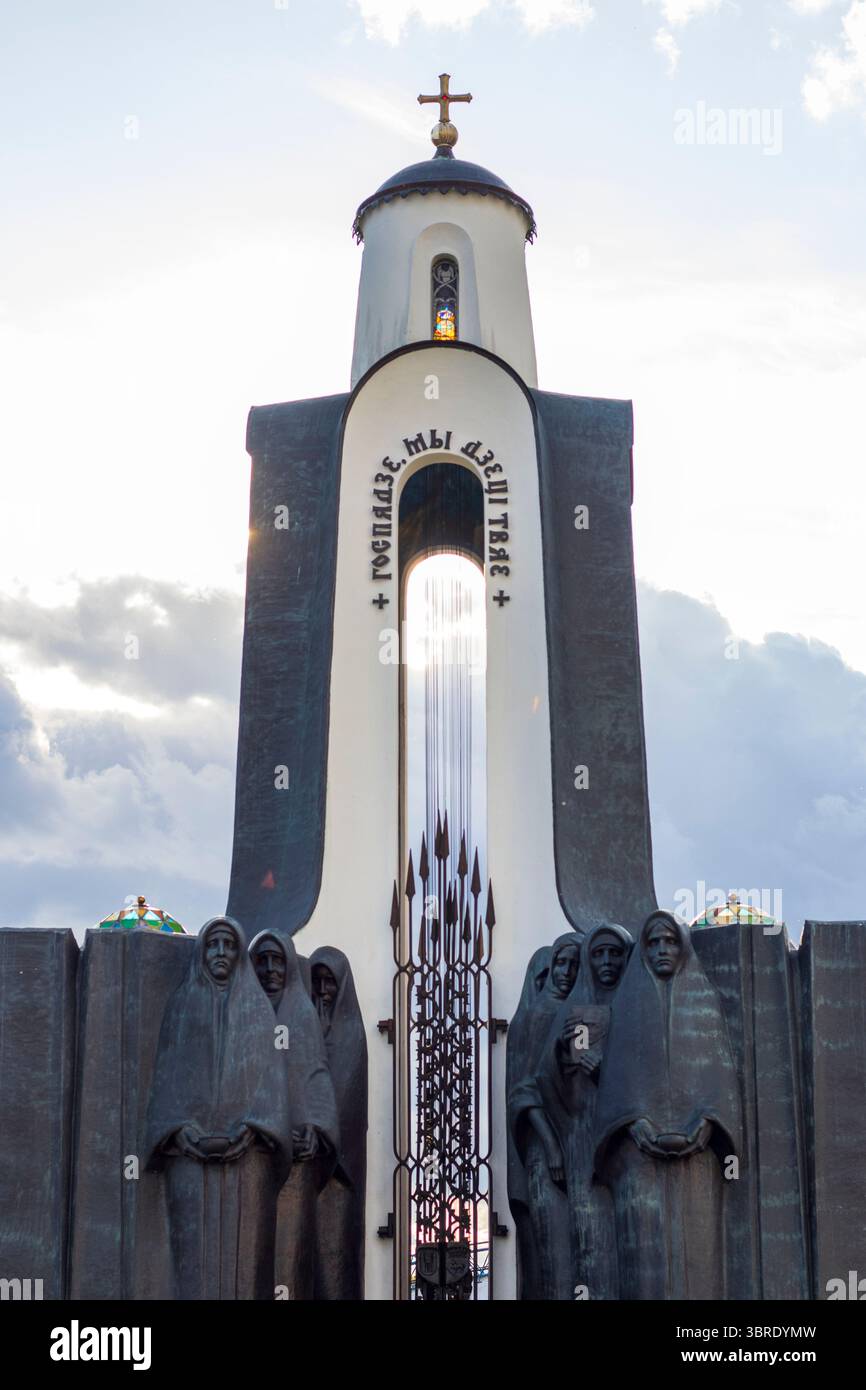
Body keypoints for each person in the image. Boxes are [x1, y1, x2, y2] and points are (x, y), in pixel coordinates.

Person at [593, 911, 742, 1300]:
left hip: (699, 1154)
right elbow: (615, 1076)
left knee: (699, 1251)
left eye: (670, 941)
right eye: (654, 942)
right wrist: (631, 1122)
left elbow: (721, 1072)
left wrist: (708, 1123)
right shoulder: (627, 1005)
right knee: (643, 1256)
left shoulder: (704, 1001)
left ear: (683, 947)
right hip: (637, 1156)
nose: (662, 949)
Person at [144, 916, 292, 1300]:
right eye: (213, 945)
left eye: (229, 945)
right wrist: (178, 1130)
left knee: (244, 1263)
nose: (221, 953)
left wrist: (253, 1128)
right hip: (188, 1156)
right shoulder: (180, 1005)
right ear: (202, 952)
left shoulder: (260, 1012)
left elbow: (271, 1082)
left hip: (247, 1158)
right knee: (191, 1263)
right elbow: (166, 1076)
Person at [539, 922, 633, 1300]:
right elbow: (545, 1081)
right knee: (588, 1238)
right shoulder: (571, 1013)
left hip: (628, 1137)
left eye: (614, 953)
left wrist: (608, 1067)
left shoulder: (637, 1005)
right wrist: (565, 1054)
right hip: (582, 1136)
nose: (607, 962)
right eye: (598, 954)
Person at [249, 926, 339, 1299]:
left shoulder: (301, 1015)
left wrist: (316, 1129)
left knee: (290, 1254)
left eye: (278, 961)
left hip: (298, 1156)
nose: (271, 969)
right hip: (252, 1152)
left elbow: (315, 1077)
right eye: (262, 961)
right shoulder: (242, 1015)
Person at [506, 931, 582, 1299]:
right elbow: (524, 1091)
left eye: (574, 964)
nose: (566, 972)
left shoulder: (575, 1013)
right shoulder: (542, 1013)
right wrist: (551, 1148)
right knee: (556, 1256)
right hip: (546, 1150)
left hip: (574, 1145)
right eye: (561, 963)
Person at [308, 947, 368, 1300]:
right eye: (317, 982)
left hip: (337, 1166)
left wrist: (324, 1134)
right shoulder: (306, 1024)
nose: (324, 990)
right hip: (309, 1162)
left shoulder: (351, 1033)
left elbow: (347, 1098)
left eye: (330, 982)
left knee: (337, 1256)